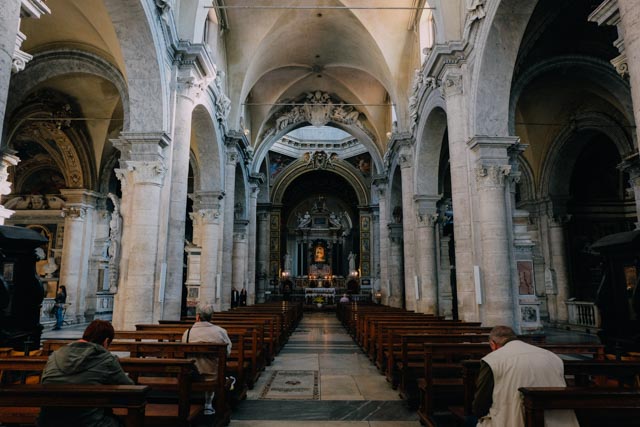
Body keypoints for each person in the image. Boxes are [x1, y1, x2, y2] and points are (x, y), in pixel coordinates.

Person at [471, 326, 578, 427]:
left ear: (493, 344)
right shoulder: (551, 356)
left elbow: (481, 403)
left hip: (511, 421)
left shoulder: (492, 359)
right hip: (559, 421)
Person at [39, 319, 133, 427]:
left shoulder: (55, 356)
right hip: (89, 423)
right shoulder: (107, 359)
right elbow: (129, 389)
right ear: (106, 342)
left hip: (48, 422)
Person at [182, 303, 232, 416]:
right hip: (214, 374)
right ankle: (208, 404)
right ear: (211, 317)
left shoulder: (188, 333)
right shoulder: (220, 332)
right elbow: (227, 353)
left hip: (193, 373)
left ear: (197, 317)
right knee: (216, 366)